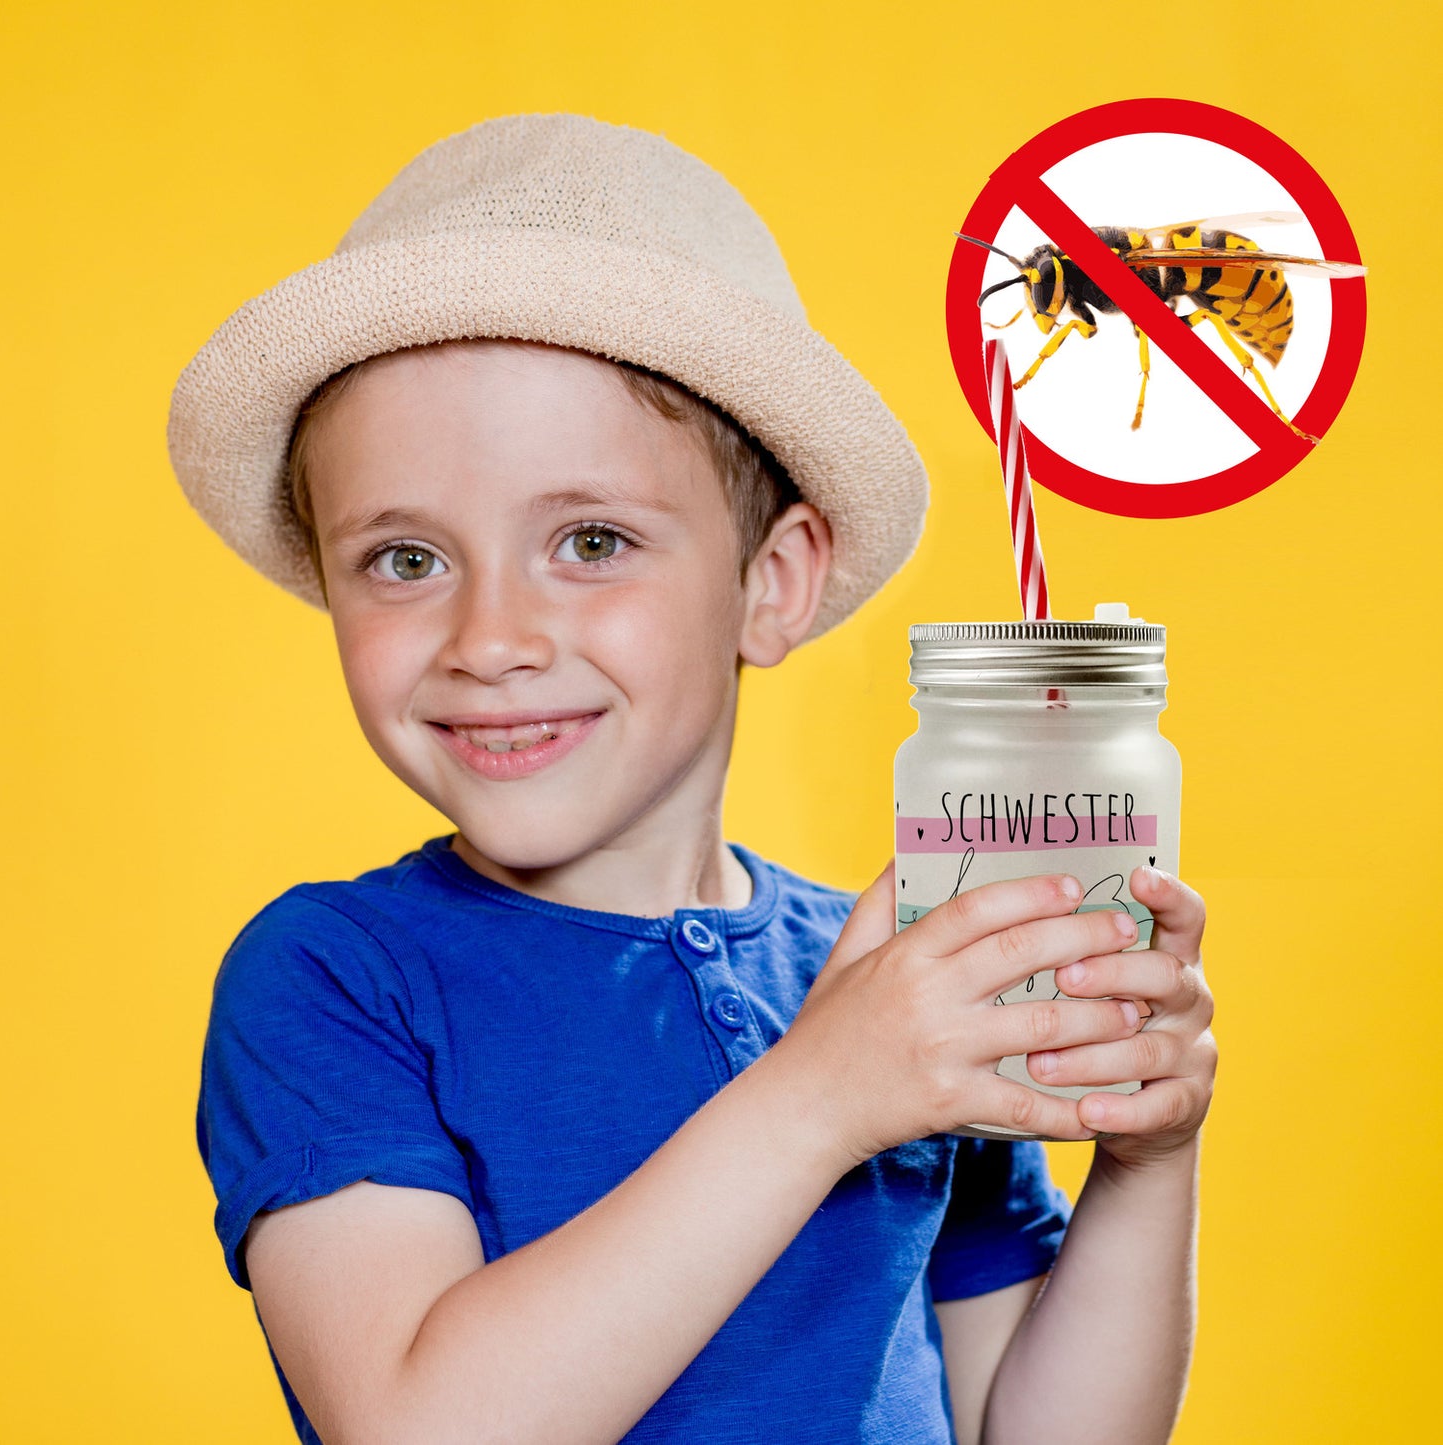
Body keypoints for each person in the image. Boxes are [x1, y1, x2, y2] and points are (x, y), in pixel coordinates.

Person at [172, 114, 1216, 1445]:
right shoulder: (333, 975)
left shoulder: (884, 985)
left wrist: (1144, 1155)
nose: (490, 639)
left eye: (590, 539)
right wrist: (825, 1093)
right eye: (405, 559)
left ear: (767, 584)